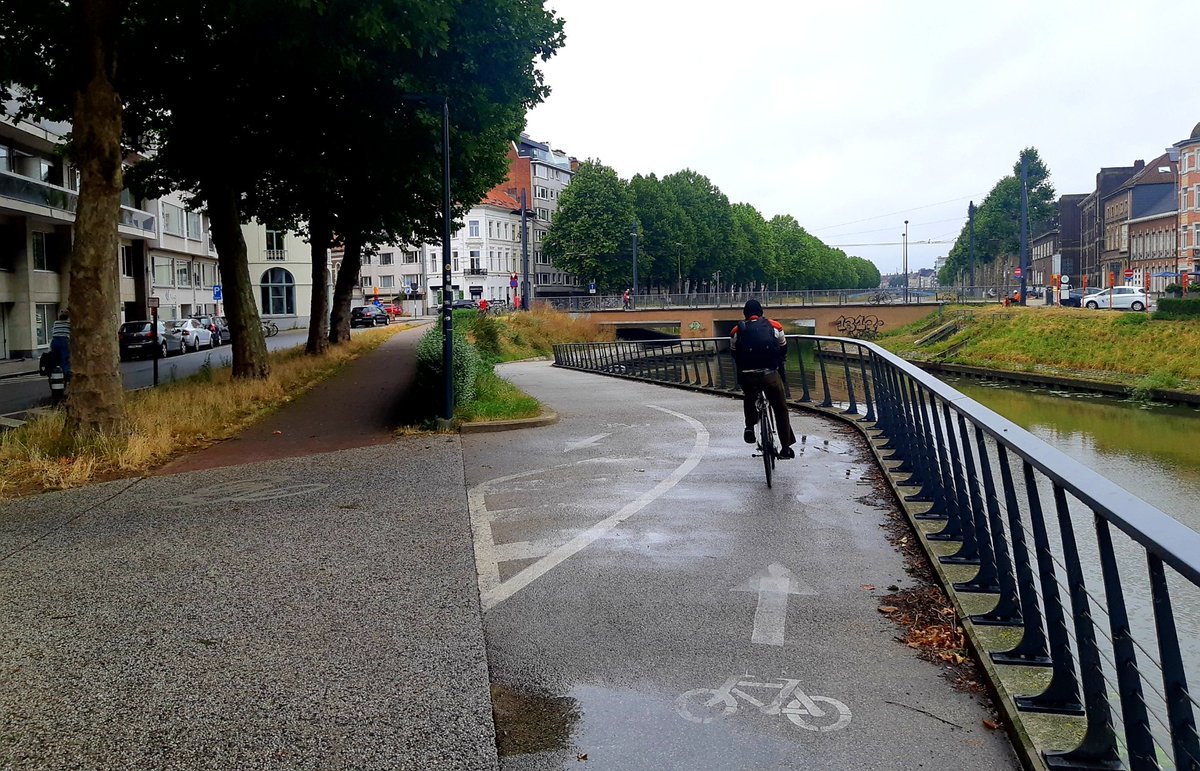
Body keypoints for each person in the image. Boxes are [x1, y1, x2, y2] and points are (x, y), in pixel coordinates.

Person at [730, 299, 796, 459]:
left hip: (748, 375)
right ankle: (786, 449)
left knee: (749, 397)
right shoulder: (775, 326)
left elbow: (733, 352)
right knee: (780, 408)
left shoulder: (736, 330)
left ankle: (750, 427)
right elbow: (783, 347)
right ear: (761, 312)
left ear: (745, 314)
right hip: (770, 375)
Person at [49, 309, 71, 377]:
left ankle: (54, 370)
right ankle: (66, 372)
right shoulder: (68, 324)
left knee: (55, 356)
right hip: (63, 341)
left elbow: (52, 331)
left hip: (54, 341)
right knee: (65, 357)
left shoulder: (56, 323)